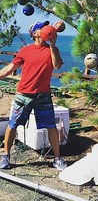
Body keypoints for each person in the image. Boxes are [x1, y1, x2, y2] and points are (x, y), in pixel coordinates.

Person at [0, 21, 67, 171]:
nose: (46, 29)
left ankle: (57, 158)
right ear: (35, 33)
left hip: (43, 95)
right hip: (24, 95)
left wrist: (52, 45)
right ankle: (6, 156)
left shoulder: (52, 49)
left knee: (51, 126)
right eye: (42, 28)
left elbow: (57, 66)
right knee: (13, 124)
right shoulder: (25, 51)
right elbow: (11, 68)